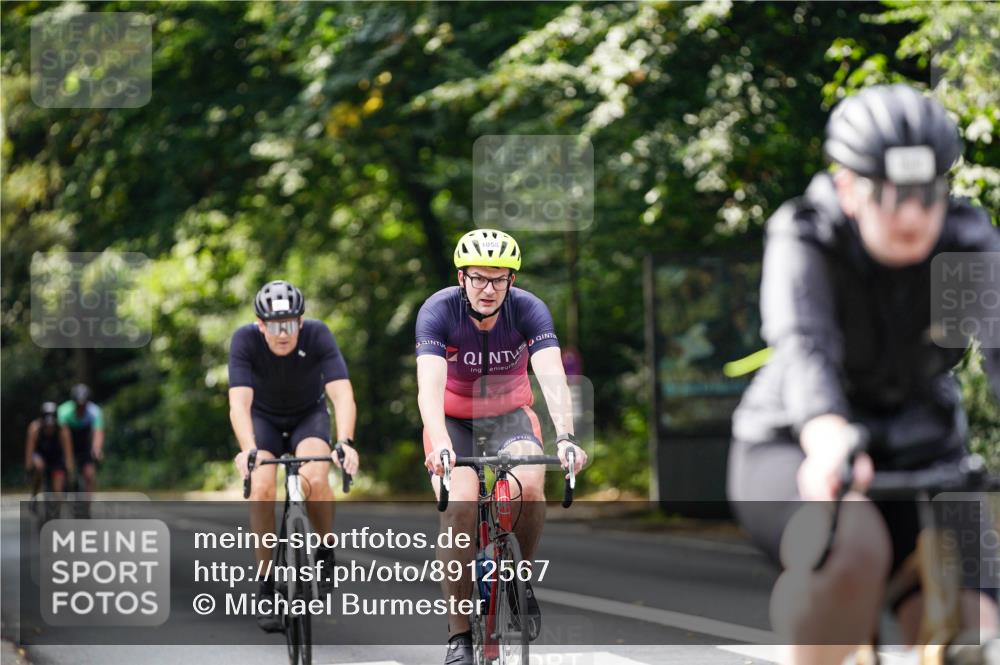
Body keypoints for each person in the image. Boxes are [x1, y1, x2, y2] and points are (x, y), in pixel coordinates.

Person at [727, 84, 1000, 665]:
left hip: (924, 448)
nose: (912, 214)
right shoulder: (808, 233)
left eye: (928, 194)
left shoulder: (966, 241)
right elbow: (805, 345)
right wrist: (826, 436)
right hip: (796, 444)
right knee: (852, 551)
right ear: (850, 187)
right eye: (891, 193)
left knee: (978, 623)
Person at [416, 228, 588, 665]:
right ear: (462, 277)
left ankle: (517, 575)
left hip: (510, 416)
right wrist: (439, 444)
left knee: (531, 482)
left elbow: (551, 375)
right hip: (454, 420)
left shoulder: (528, 310)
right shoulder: (438, 312)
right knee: (460, 504)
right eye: (479, 278)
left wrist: (566, 435)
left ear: (512, 280)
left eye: (499, 279)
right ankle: (459, 636)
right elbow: (429, 388)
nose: (488, 288)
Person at [228, 279, 360, 633]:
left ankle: (325, 548)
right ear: (261, 325)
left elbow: (342, 395)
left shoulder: (318, 335)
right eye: (274, 325)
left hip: (308, 416)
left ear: (301, 322)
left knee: (316, 477)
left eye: (289, 324)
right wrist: (248, 449)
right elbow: (238, 403)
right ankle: (267, 584)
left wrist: (345, 441)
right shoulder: (244, 340)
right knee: (262, 487)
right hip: (265, 419)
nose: (282, 333)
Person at [58, 384, 104, 496]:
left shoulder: (95, 412)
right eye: (78, 405)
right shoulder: (64, 411)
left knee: (89, 475)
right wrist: (69, 460)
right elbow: (64, 436)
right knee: (64, 474)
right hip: (66, 442)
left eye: (83, 405)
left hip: (84, 443)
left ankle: (86, 509)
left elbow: (98, 432)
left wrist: (97, 449)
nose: (81, 408)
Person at [25, 401, 72, 498]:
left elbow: (68, 452)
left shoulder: (62, 429)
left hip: (56, 458)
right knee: (39, 466)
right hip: (40, 455)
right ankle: (35, 493)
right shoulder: (35, 428)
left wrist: (69, 469)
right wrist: (29, 468)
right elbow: (30, 450)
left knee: (58, 491)